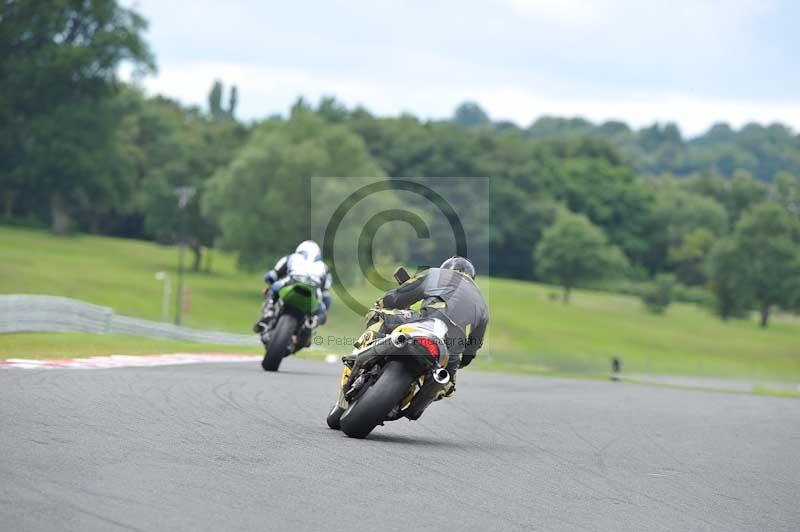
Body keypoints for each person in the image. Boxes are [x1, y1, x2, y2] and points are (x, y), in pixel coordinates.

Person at [371, 256, 488, 420]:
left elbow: (399, 296)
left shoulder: (435, 274)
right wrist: (461, 361)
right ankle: (417, 405)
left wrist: (381, 305)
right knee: (447, 384)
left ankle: (363, 352)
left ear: (445, 268)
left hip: (423, 323)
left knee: (379, 316)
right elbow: (473, 346)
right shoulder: (482, 302)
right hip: (451, 349)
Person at [254, 240, 332, 339]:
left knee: (273, 289)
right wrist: (323, 314)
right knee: (322, 311)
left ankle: (268, 314)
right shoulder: (324, 268)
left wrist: (268, 281)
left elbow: (271, 276)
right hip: (313, 291)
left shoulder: (291, 257)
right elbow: (326, 296)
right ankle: (311, 324)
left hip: (292, 282)